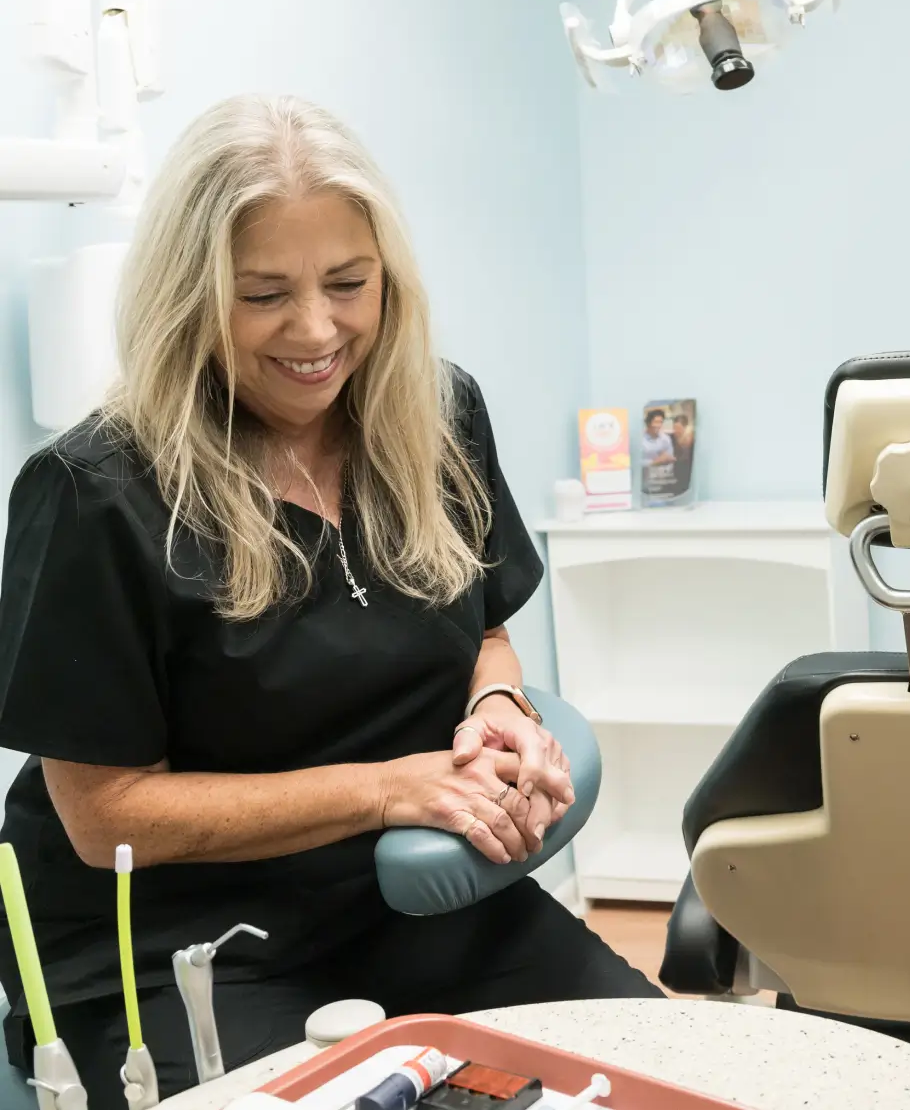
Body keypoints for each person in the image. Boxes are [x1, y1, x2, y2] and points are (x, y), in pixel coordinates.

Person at [0, 95, 662, 1103]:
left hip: (412, 904)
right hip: (182, 951)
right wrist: (388, 789)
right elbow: (106, 816)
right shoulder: (98, 493)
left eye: (348, 283)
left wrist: (497, 705)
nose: (316, 329)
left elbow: (484, 627)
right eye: (263, 294)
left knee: (653, 1076)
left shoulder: (437, 417)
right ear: (189, 295)